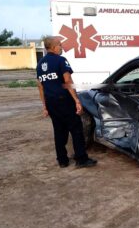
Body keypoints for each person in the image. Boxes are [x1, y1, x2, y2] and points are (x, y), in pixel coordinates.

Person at [36, 36, 97, 168]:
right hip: (64, 101)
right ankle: (81, 159)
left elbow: (40, 86)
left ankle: (62, 160)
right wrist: (76, 100)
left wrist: (45, 106)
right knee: (76, 129)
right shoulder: (61, 60)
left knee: (59, 131)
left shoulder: (40, 64)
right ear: (52, 47)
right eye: (59, 45)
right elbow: (68, 81)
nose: (61, 47)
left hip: (51, 103)